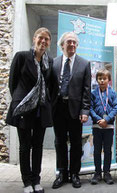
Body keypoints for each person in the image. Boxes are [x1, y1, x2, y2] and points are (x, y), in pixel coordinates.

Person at [6, 27, 53, 193]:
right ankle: (27, 182)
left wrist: (47, 102)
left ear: (49, 43)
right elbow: (13, 82)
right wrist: (22, 101)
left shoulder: (49, 61)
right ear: (34, 39)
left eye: (46, 39)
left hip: (40, 110)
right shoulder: (22, 56)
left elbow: (51, 86)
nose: (43, 41)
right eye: (41, 38)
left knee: (38, 145)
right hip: (24, 109)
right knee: (25, 146)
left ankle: (36, 180)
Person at [51, 32, 91, 189]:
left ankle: (74, 174)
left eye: (74, 42)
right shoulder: (53, 63)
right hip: (58, 108)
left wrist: (85, 111)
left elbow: (86, 90)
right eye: (69, 42)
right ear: (62, 45)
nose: (72, 45)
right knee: (59, 142)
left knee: (75, 143)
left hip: (75, 109)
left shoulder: (84, 63)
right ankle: (62, 173)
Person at [90, 69, 117, 185]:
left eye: (104, 78)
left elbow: (116, 108)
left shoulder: (112, 93)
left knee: (107, 150)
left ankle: (107, 172)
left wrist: (106, 119)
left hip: (108, 126)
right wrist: (98, 119)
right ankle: (97, 173)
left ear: (109, 80)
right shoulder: (93, 93)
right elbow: (90, 108)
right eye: (100, 78)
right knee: (97, 150)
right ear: (97, 80)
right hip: (97, 126)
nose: (102, 81)